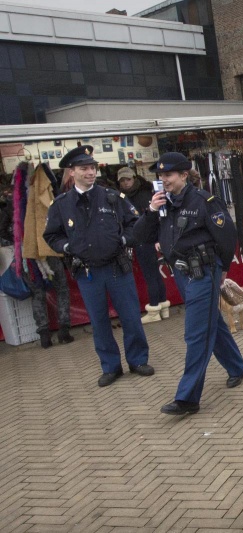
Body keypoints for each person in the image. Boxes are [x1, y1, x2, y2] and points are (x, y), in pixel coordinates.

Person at [134, 152, 243, 415]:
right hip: (182, 274)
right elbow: (138, 236)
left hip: (204, 273)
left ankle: (187, 398)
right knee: (212, 324)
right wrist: (151, 210)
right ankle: (237, 367)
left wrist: (222, 270)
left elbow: (227, 235)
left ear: (184, 175)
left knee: (195, 334)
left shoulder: (203, 201)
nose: (164, 180)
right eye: (160, 176)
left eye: (169, 175)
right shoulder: (161, 205)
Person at [43, 145, 153, 387]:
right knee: (99, 321)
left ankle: (137, 360)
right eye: (84, 169)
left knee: (131, 317)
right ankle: (111, 367)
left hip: (117, 267)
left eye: (93, 168)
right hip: (87, 272)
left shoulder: (112, 197)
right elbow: (51, 236)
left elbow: (135, 224)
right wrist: (67, 247)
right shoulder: (61, 204)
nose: (90, 172)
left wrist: (123, 239)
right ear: (72, 172)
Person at [21, 163, 73, 348]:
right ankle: (64, 331)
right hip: (49, 248)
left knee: (38, 293)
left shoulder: (22, 195)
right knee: (61, 289)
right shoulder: (47, 190)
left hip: (30, 251)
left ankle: (44, 334)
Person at [116, 167, 170, 324]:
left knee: (150, 275)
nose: (125, 183)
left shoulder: (144, 193)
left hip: (145, 239)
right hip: (145, 238)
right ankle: (162, 306)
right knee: (154, 274)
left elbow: (154, 217)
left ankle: (154, 308)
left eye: (128, 179)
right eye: (122, 181)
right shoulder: (125, 196)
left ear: (134, 178)